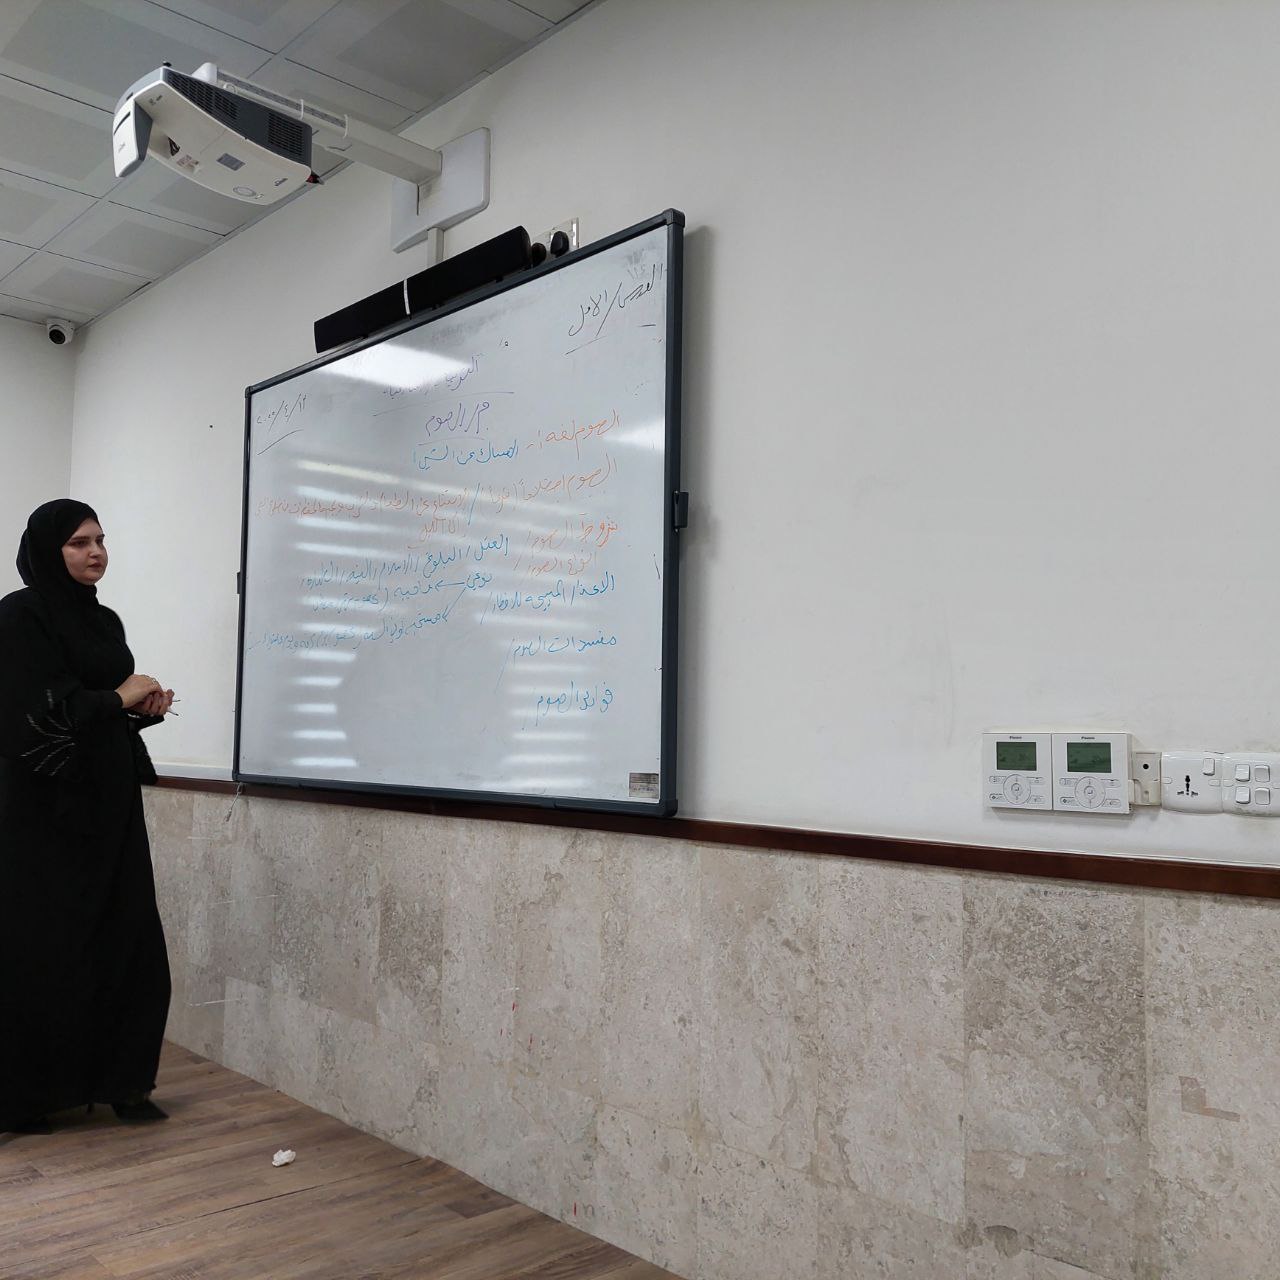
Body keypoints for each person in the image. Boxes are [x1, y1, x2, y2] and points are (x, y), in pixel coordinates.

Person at [0, 499, 175, 1135]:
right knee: (44, 947)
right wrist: (117, 696)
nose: (95, 552)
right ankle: (30, 1097)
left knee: (128, 938)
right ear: (49, 551)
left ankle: (125, 1083)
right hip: (44, 813)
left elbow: (96, 710)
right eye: (79, 542)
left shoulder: (104, 621)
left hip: (109, 805)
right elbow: (30, 716)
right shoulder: (19, 616)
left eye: (100, 539)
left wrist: (140, 709)